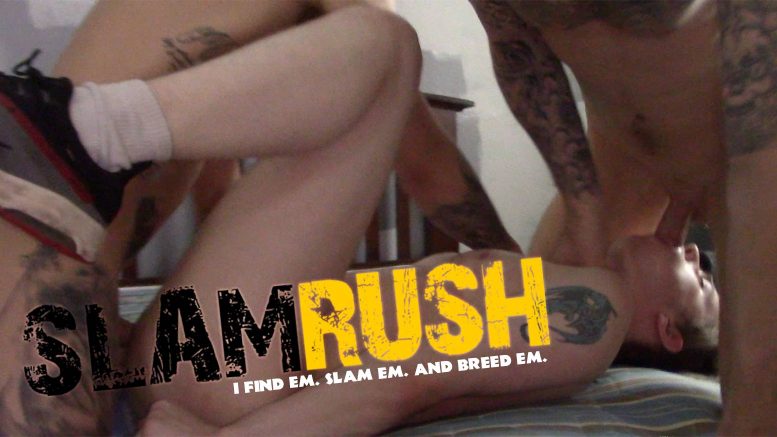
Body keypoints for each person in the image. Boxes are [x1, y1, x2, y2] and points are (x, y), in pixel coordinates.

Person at [462, 1, 774, 433]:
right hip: (616, 158)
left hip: (744, 153)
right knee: (525, 342)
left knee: (756, 406)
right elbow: (519, 51)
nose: (693, 253)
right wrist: (583, 216)